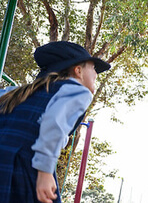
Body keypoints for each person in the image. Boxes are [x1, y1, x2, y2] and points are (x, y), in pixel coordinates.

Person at [0, 41, 110, 203]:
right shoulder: (78, 91)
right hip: (29, 165)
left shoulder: (15, 92)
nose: (95, 74)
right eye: (93, 68)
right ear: (78, 70)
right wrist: (44, 172)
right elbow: (53, 122)